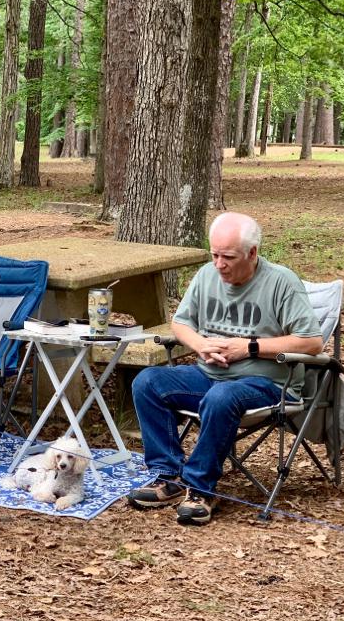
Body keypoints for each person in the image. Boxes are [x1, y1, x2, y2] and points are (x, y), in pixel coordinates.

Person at [127, 212, 323, 525]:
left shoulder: (281, 282)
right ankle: (169, 478)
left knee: (222, 397)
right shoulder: (207, 275)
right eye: (215, 255)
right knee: (148, 382)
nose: (219, 265)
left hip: (265, 384)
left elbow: (312, 342)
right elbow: (181, 322)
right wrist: (200, 345)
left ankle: (201, 489)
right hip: (208, 375)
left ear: (252, 253)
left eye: (228, 257)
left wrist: (250, 347)